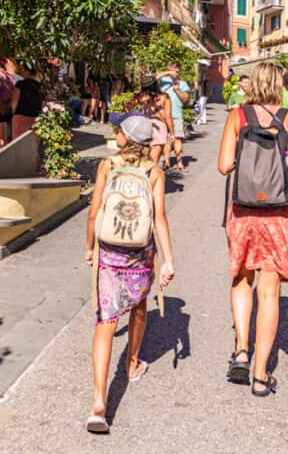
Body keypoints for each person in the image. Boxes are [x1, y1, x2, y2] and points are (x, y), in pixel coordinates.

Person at [218, 62, 288, 396]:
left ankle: (241, 351)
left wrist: (249, 166)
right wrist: (283, 168)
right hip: (279, 212)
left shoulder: (237, 117)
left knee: (242, 278)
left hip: (244, 210)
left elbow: (222, 166)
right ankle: (261, 376)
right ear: (281, 85)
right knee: (270, 292)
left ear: (253, 83)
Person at [86, 113, 175, 433]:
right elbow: (160, 219)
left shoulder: (107, 166)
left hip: (109, 254)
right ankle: (132, 364)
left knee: (106, 321)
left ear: (126, 137)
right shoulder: (154, 172)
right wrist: (168, 260)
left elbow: (94, 212)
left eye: (118, 130)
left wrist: (88, 247)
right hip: (140, 254)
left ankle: (99, 402)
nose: (115, 134)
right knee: (138, 306)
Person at [159, 63, 190, 173]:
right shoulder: (163, 81)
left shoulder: (182, 84)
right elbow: (154, 78)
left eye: (177, 71)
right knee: (165, 139)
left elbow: (186, 99)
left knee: (177, 138)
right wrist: (167, 73)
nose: (175, 73)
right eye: (173, 70)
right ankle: (167, 163)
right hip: (162, 116)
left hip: (176, 115)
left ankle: (179, 162)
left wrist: (177, 90)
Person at [11, 64, 43, 140]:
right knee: (33, 143)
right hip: (36, 117)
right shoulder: (38, 85)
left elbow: (14, 103)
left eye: (22, 70)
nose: (20, 72)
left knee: (18, 143)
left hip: (21, 118)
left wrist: (11, 114)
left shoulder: (20, 84)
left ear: (28, 71)